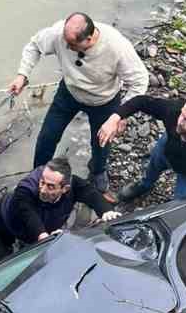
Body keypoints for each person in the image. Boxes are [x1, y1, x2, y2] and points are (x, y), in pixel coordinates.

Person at [9, 12, 148, 190]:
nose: (66, 46)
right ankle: (38, 175)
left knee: (101, 143)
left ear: (89, 38)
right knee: (47, 136)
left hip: (104, 101)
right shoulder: (60, 34)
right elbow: (35, 45)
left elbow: (140, 80)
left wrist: (120, 115)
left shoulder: (117, 46)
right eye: (65, 42)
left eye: (72, 44)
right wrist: (22, 75)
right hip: (69, 93)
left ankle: (98, 171)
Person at [0, 157, 120, 277]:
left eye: (50, 187)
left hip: (38, 231)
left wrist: (106, 211)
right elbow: (29, 216)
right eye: (42, 182)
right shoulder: (25, 189)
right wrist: (45, 238)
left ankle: (8, 246)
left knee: (10, 259)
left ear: (65, 189)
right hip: (7, 218)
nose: (42, 189)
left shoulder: (74, 186)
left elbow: (92, 194)